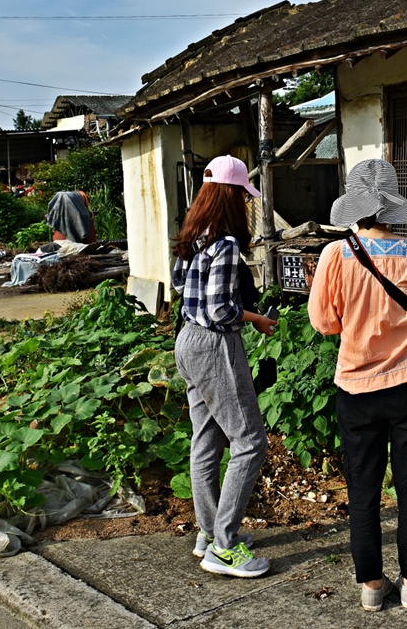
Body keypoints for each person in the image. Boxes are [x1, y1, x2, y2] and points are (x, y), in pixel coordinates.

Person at [308, 159, 407, 612]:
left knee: (363, 489)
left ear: (356, 206)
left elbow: (323, 323)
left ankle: (371, 586)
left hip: (357, 385)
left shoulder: (335, 254)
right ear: (393, 205)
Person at [171, 155, 277, 578]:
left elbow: (183, 287)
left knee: (206, 441)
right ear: (231, 195)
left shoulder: (192, 235)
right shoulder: (227, 244)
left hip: (186, 341)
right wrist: (255, 318)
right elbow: (220, 310)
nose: (246, 206)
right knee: (250, 441)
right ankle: (224, 546)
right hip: (214, 345)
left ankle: (208, 532)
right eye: (243, 196)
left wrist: (244, 315)